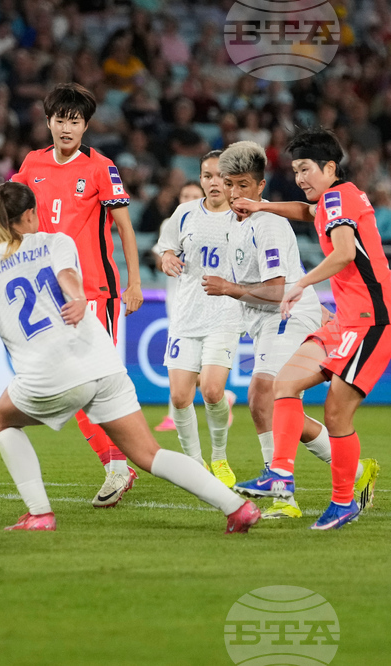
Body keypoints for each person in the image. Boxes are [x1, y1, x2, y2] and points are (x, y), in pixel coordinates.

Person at [0, 181, 260, 533]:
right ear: (29, 214)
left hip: (48, 373)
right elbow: (68, 276)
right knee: (149, 454)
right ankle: (237, 508)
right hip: (101, 363)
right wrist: (74, 298)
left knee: (4, 420)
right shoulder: (58, 241)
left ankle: (39, 514)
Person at [232, 128, 391, 529]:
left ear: (330, 167)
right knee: (284, 384)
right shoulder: (331, 198)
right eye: (295, 170)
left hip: (374, 322)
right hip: (346, 320)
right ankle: (279, 473)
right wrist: (262, 206)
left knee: (335, 414)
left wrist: (302, 283)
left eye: (306, 169)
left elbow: (344, 253)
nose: (300, 178)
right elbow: (306, 212)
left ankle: (344, 501)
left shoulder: (340, 198)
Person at [201, 141, 379, 519]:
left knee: (264, 392)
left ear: (260, 185)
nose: (235, 194)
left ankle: (284, 495)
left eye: (243, 185)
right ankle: (357, 470)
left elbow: (278, 289)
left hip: (287, 313)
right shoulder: (236, 223)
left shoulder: (269, 225)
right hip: (264, 318)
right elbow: (306, 210)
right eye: (229, 184)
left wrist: (230, 289)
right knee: (278, 404)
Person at [11, 83, 144, 508]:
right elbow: (12, 212)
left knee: (91, 382)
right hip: (46, 294)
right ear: (48, 121)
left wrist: (134, 282)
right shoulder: (32, 163)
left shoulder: (102, 167)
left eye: (75, 120)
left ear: (86, 125)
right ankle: (119, 464)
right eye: (60, 119)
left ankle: (121, 464)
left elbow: (124, 228)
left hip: (93, 292)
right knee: (69, 387)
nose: (67, 127)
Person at [154, 151, 240, 486]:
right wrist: (168, 258)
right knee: (178, 396)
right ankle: (193, 462)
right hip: (187, 315)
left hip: (224, 315)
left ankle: (218, 456)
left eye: (220, 176)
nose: (213, 182)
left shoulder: (243, 216)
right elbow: (167, 249)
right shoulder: (184, 213)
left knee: (214, 391)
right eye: (207, 175)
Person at [153, 181, 204, 432]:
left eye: (195, 195)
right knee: (183, 362)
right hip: (177, 303)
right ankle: (218, 394)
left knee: (185, 362)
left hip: (205, 303)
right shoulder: (170, 223)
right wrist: (165, 257)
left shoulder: (211, 222)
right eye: (185, 194)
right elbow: (159, 253)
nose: (189, 199)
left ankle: (175, 415)